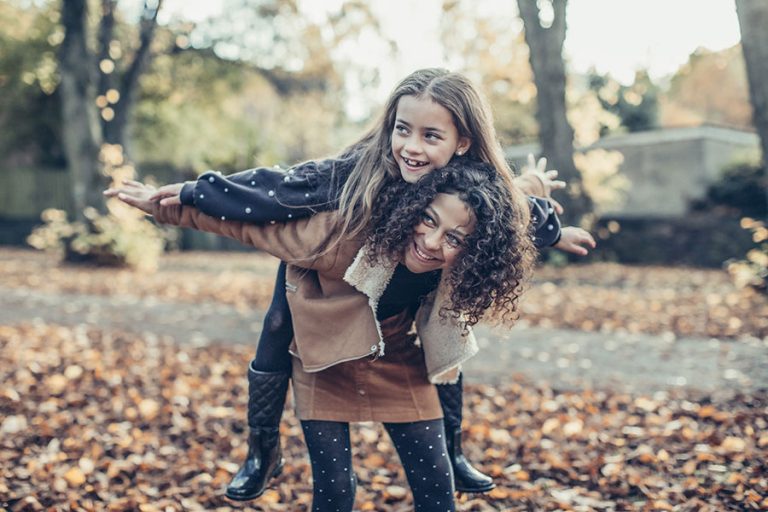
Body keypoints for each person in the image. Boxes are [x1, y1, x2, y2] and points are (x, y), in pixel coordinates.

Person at [139, 67, 595, 499]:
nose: (411, 147)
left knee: (450, 332)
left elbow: (513, 212)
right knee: (278, 324)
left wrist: (555, 232)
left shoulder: (477, 187)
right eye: (403, 129)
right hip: (317, 262)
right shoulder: (353, 173)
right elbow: (276, 188)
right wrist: (195, 192)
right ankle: (262, 450)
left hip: (393, 322)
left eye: (430, 135)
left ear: (462, 142)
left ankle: (453, 451)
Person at [108, 158, 540, 511]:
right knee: (334, 490)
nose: (431, 241)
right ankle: (262, 450)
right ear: (414, 208)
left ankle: (457, 453)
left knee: (437, 487)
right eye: (427, 220)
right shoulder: (338, 238)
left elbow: (522, 218)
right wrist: (164, 205)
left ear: (478, 248)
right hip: (323, 356)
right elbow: (247, 224)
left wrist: (552, 214)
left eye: (455, 239)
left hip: (396, 353)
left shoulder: (476, 233)